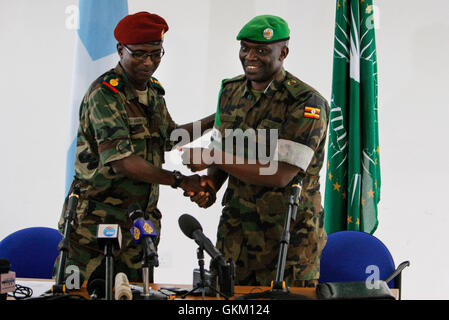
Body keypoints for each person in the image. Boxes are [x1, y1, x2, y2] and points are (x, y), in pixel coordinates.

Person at [57, 12, 214, 283]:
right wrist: (180, 180)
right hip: (96, 228)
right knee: (84, 293)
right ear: (121, 50)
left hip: (139, 227)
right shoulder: (105, 94)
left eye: (156, 53)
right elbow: (123, 161)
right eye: (140, 54)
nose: (149, 62)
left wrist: (216, 120)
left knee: (138, 292)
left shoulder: (153, 91)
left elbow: (169, 137)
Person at [182, 15, 330, 287]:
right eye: (245, 48)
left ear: (283, 53)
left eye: (261, 50)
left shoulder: (306, 102)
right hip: (236, 235)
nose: (250, 56)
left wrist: (213, 158)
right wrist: (212, 185)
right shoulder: (231, 91)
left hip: (288, 243)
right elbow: (223, 147)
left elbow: (281, 175)